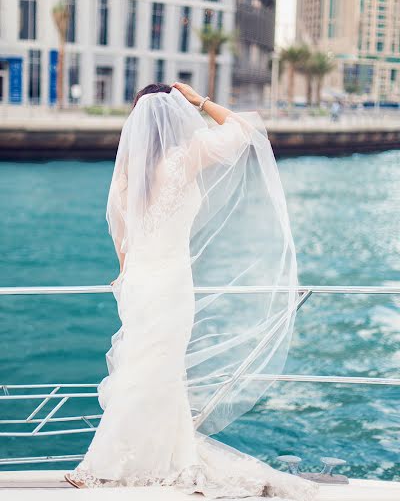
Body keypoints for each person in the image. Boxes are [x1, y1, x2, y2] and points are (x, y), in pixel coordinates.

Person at [65, 83, 318, 500]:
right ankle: (100, 468)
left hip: (139, 283)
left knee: (145, 369)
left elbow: (120, 232)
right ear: (173, 116)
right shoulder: (187, 157)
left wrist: (125, 276)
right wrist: (200, 100)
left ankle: (156, 457)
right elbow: (245, 129)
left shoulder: (130, 169)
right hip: (170, 283)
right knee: (157, 371)